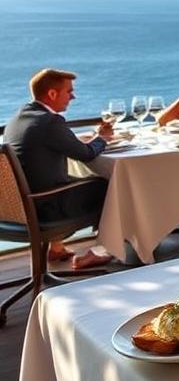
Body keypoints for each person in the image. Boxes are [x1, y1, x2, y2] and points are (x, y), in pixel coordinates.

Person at [3, 69, 112, 268]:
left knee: (65, 178)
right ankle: (100, 251)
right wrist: (102, 138)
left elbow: (48, 147)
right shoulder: (50, 122)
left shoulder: (17, 119)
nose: (73, 97)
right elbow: (86, 154)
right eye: (69, 91)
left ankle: (57, 248)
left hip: (15, 210)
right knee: (109, 185)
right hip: (44, 210)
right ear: (52, 94)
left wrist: (84, 140)